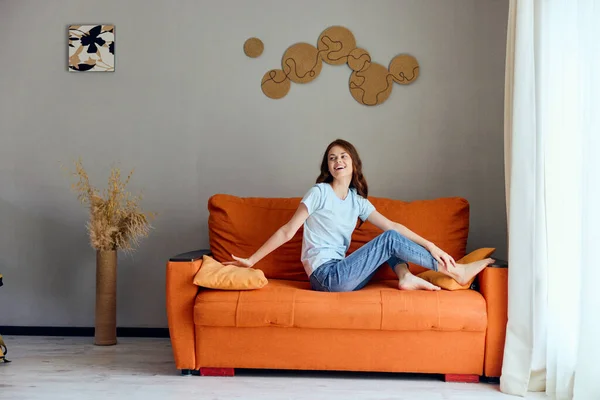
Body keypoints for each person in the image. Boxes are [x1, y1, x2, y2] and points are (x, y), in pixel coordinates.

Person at [225, 139, 494, 292]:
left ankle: (404, 276)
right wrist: (251, 260)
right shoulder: (319, 192)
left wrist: (431, 245)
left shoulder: (357, 201)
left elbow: (393, 225)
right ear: (328, 166)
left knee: (389, 235)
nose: (337, 160)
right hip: (325, 276)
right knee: (388, 239)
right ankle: (456, 271)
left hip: (344, 276)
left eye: (343, 156)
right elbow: (287, 230)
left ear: (353, 163)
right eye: (332, 158)